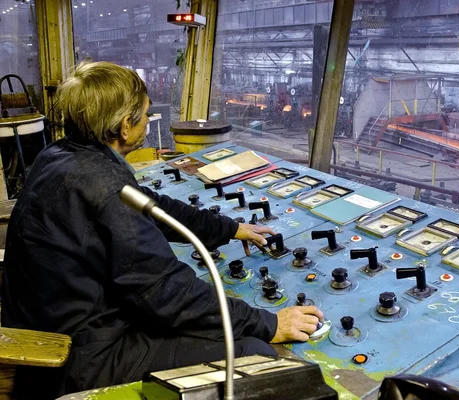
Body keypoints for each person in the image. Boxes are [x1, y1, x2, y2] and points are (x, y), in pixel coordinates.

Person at [1, 61, 324, 398]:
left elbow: (154, 207)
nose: (147, 121)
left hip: (51, 326)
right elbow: (166, 292)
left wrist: (229, 228)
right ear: (126, 126)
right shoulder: (104, 187)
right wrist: (269, 323)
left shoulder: (61, 155)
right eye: (144, 114)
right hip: (79, 357)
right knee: (255, 355)